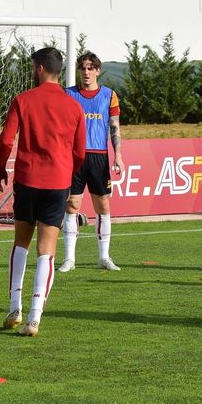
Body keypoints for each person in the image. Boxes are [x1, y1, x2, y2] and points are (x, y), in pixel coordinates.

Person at [0, 47, 85, 337]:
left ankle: (14, 306)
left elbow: (6, 140)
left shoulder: (23, 100)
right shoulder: (74, 106)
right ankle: (34, 317)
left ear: (40, 68)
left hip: (28, 180)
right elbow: (80, 152)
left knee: (21, 242)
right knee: (47, 250)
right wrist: (69, 176)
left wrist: (0, 170)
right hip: (57, 182)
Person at [60, 51, 125, 273]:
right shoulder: (68, 95)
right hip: (75, 157)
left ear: (97, 70)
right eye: (83, 68)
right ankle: (69, 259)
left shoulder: (109, 95)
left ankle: (104, 257)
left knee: (103, 206)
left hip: (99, 157)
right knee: (72, 205)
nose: (86, 72)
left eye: (90, 68)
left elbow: (114, 126)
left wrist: (118, 155)